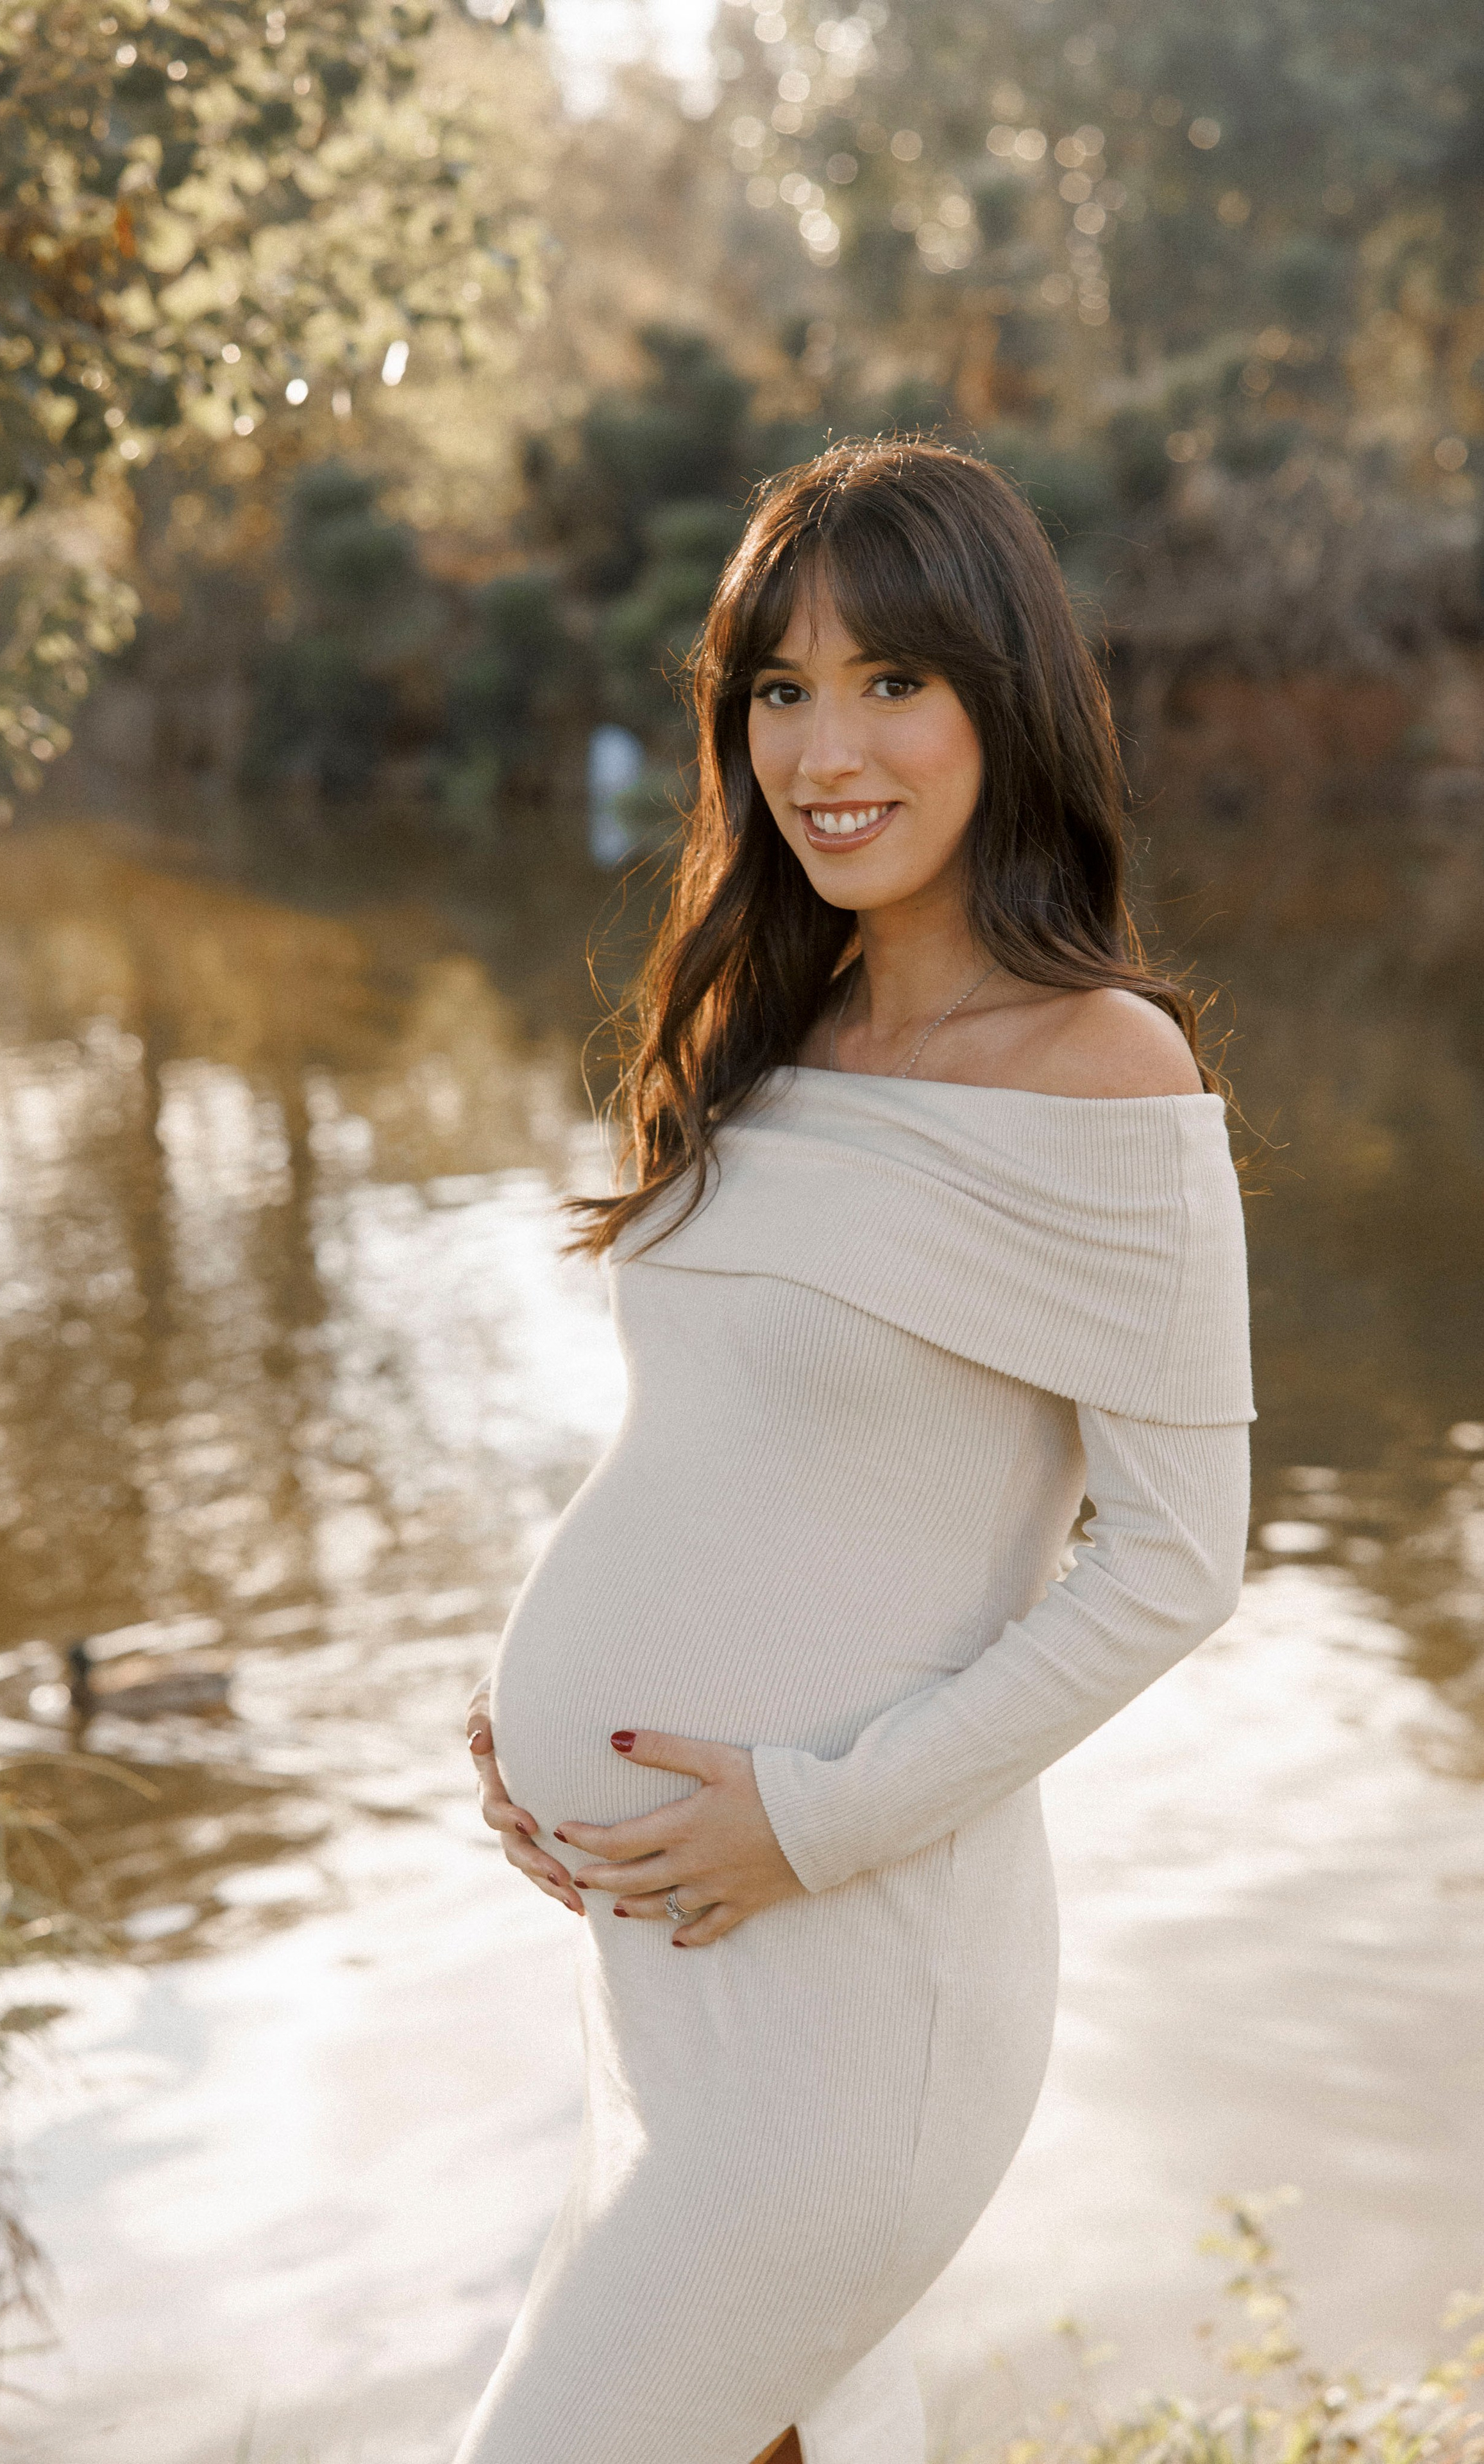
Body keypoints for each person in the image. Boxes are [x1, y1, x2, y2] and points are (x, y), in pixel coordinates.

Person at [459, 438, 1252, 2464]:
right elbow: (716, 1438)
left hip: (852, 1978)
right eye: (780, 688)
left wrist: (803, 1815)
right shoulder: (769, 1042)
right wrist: (531, 1699)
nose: (828, 745)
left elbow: (1173, 1568)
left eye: (893, 679)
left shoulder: (1108, 1072)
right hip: (669, 1963)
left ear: (1004, 693)